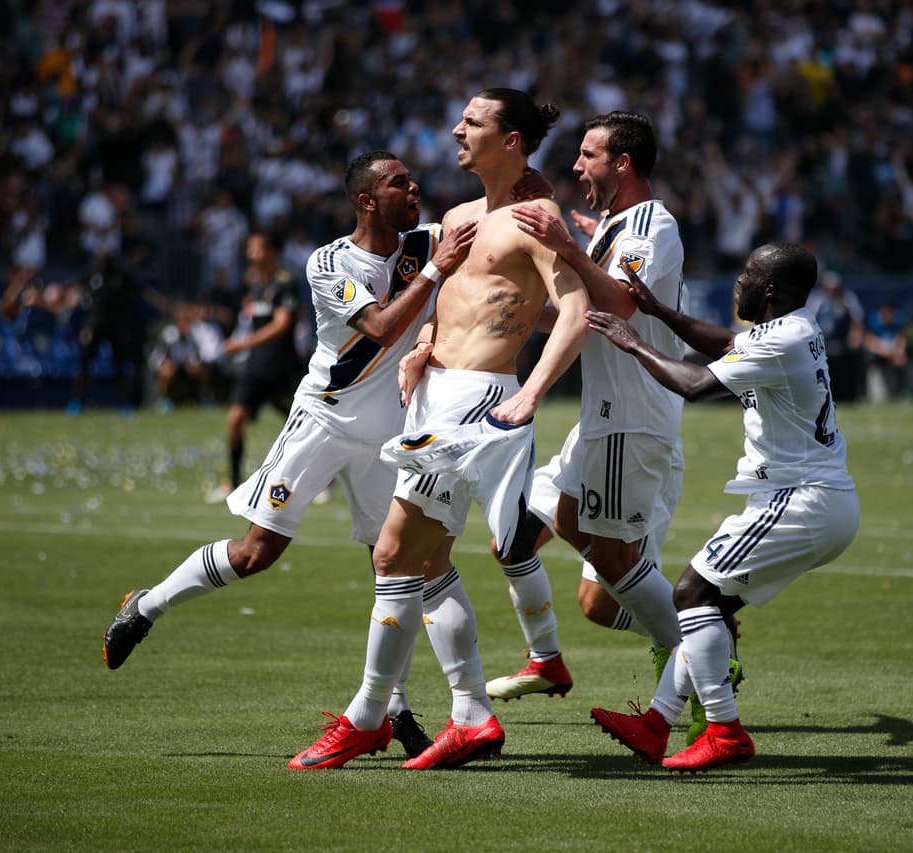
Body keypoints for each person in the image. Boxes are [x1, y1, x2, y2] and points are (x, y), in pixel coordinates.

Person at [102, 150, 479, 758]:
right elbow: (381, 327)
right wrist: (435, 271)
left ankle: (395, 710)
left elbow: (488, 217)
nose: (414, 189)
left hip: (390, 437)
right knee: (257, 553)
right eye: (398, 183)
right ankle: (146, 605)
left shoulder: (428, 239)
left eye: (412, 181)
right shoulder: (330, 262)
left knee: (395, 569)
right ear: (366, 201)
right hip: (322, 423)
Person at [290, 88, 590, 771]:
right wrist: (424, 344)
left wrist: (532, 391)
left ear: (509, 141)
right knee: (426, 564)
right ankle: (472, 715)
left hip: (474, 403)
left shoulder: (536, 218)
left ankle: (367, 716)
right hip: (435, 398)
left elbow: (572, 313)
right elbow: (451, 304)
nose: (457, 130)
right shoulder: (457, 218)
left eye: (472, 122)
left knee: (392, 553)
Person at [587, 242, 859, 772]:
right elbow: (726, 343)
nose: (739, 283)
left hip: (801, 498)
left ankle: (724, 731)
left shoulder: (781, 339)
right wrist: (658, 311)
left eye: (747, 275)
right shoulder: (791, 328)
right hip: (811, 498)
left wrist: (632, 342)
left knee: (690, 594)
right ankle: (656, 723)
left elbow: (694, 384)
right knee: (706, 610)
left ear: (770, 289)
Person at [484, 112, 688, 715]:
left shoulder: (651, 224)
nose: (577, 167)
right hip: (598, 422)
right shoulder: (614, 230)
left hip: (632, 419)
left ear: (622, 163)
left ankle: (699, 645)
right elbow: (580, 312)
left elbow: (620, 304)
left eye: (588, 155)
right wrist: (512, 307)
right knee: (516, 537)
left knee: (605, 589)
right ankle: (546, 659)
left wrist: (567, 246)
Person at [205, 232, 304, 503]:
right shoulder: (255, 285)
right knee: (235, 419)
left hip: (283, 367)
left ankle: (324, 481)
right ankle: (233, 481)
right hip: (255, 367)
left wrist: (242, 343)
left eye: (256, 248)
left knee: (304, 427)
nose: (250, 253)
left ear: (272, 252)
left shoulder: (285, 283)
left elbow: (281, 325)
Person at [68, 251, 146, 416]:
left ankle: (126, 404)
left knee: (121, 367)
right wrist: (87, 327)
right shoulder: (92, 276)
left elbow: (134, 296)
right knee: (84, 365)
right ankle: (76, 402)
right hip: (95, 328)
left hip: (116, 328)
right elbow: (83, 298)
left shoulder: (121, 277)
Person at [806, 270, 864, 402]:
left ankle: (849, 394)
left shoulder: (848, 298)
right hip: (822, 340)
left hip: (842, 339)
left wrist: (855, 336)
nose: (832, 291)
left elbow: (857, 320)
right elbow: (809, 320)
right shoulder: (816, 299)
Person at [863, 299, 908, 402]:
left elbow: (901, 341)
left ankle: (901, 392)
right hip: (879, 355)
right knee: (867, 358)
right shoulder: (874, 323)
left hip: (892, 354)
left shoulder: (897, 323)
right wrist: (886, 353)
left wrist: (898, 354)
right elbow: (870, 343)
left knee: (902, 361)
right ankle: (866, 392)